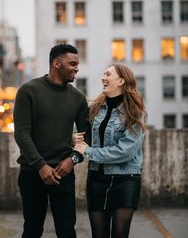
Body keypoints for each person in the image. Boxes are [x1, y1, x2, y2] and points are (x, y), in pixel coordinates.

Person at [13, 44, 89, 238]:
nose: (76, 68)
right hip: (32, 173)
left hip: (64, 173)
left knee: (66, 231)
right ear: (56, 63)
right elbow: (21, 133)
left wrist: (72, 160)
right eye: (72, 64)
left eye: (77, 64)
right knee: (32, 229)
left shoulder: (78, 98)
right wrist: (40, 166)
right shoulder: (28, 91)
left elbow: (86, 137)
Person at [74, 64, 147, 238]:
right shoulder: (96, 107)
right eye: (103, 73)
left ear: (121, 81)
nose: (103, 78)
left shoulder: (134, 110)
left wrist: (90, 152)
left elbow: (126, 151)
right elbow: (88, 139)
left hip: (125, 179)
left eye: (108, 74)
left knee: (120, 234)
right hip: (97, 179)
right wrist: (76, 141)